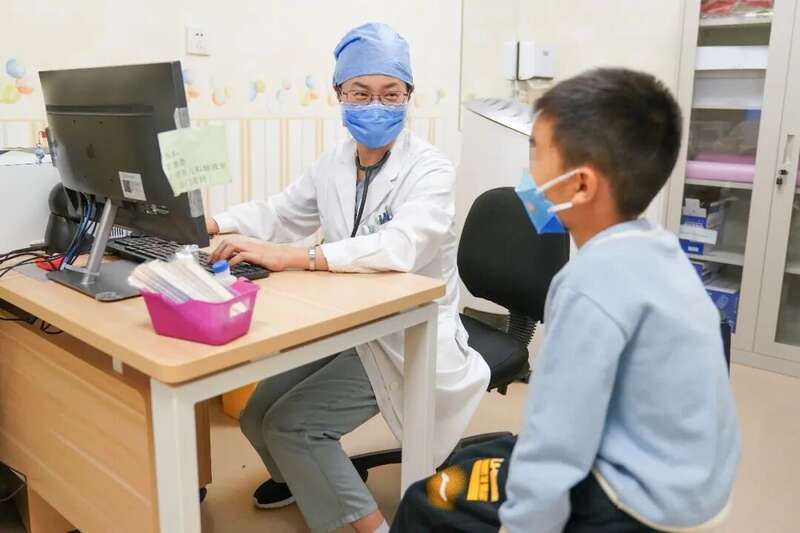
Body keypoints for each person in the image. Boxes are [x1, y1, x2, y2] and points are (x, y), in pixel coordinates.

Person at [390, 68, 741, 533]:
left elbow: (555, 447)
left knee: (429, 496)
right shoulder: (660, 251)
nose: (528, 174)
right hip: (692, 482)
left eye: (536, 154)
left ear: (581, 185)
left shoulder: (588, 285)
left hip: (632, 500)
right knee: (485, 456)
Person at [207, 22, 490, 533]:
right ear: (338, 93)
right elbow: (281, 213)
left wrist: (295, 258)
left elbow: (400, 247)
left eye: (391, 93)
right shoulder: (334, 162)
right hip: (352, 321)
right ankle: (305, 479)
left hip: (408, 331)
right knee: (255, 414)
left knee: (292, 426)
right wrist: (213, 223)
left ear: (409, 96)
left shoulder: (430, 169)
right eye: (360, 92)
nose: (375, 105)